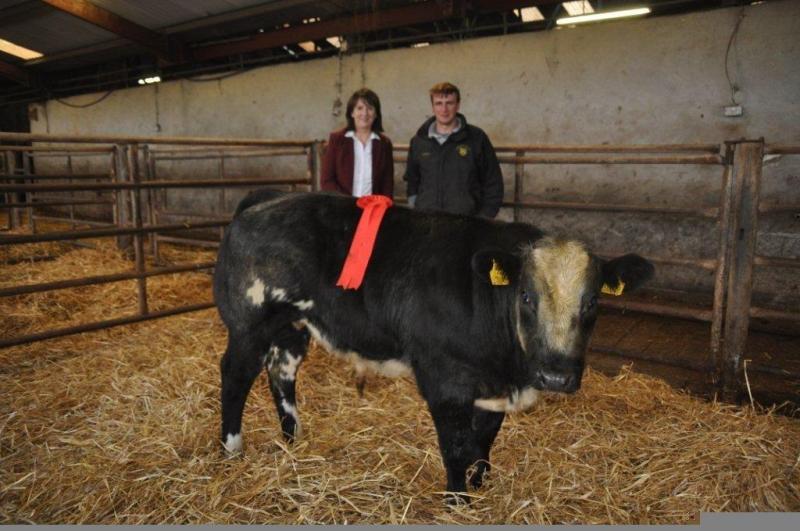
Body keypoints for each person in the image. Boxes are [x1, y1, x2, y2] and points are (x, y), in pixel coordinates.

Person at [404, 82, 503, 218]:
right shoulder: (419, 141)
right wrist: (416, 211)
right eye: (439, 103)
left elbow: (493, 181)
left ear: (458, 105)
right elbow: (412, 180)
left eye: (449, 103)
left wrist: (485, 218)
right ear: (432, 107)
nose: (444, 109)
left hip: (466, 223)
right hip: (427, 222)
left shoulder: (477, 138)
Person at [321, 88, 394, 198]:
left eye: (370, 108)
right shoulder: (337, 140)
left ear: (376, 114)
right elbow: (327, 180)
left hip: (372, 209)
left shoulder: (384, 144)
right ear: (352, 112)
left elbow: (387, 183)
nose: (364, 113)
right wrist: (345, 203)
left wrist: (382, 206)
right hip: (341, 207)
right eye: (359, 108)